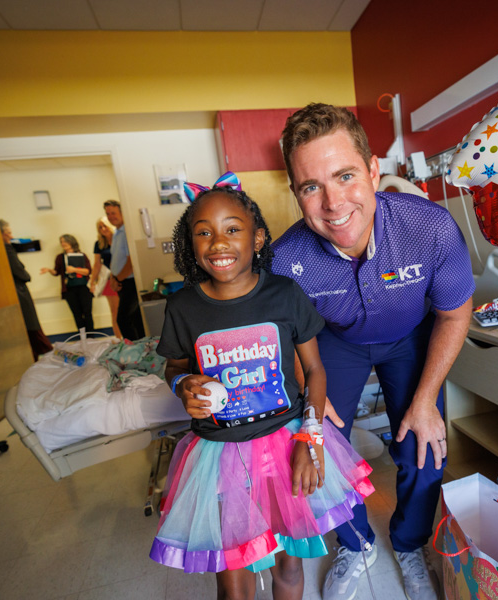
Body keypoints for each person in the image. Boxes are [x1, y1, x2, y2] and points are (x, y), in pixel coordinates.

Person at [272, 103, 475, 600]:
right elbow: (285, 339)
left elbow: (453, 314)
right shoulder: (285, 260)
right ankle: (356, 542)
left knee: (424, 448)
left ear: (372, 170)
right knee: (323, 447)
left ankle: (409, 543)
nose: (332, 203)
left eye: (344, 176)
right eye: (310, 187)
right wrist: (311, 402)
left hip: (410, 337)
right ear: (296, 192)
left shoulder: (430, 229)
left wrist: (425, 401)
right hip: (332, 343)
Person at [149, 174, 374, 599]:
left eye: (232, 229)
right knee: (234, 584)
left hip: (286, 445)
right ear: (190, 244)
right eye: (204, 232)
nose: (218, 242)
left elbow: (315, 372)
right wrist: (182, 385)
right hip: (219, 456)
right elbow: (174, 366)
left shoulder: (285, 294)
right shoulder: (183, 307)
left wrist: (311, 439)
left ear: (257, 239)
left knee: (288, 570)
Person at [0, 219, 52, 360]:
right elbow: (20, 271)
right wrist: (27, 275)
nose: (11, 236)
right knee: (33, 329)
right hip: (19, 293)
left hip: (10, 293)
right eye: (8, 233)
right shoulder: (7, 249)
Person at [103, 199, 145, 340]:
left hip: (129, 282)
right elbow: (117, 259)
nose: (110, 217)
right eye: (108, 214)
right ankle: (140, 349)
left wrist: (117, 279)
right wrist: (113, 278)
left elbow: (131, 262)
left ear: (122, 213)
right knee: (135, 318)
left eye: (113, 213)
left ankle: (133, 350)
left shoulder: (127, 232)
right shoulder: (117, 233)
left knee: (123, 319)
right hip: (121, 281)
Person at [40, 234, 94, 333]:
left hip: (84, 287)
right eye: (61, 241)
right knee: (76, 314)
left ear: (71, 241)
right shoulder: (60, 257)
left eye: (65, 241)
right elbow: (56, 272)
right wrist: (48, 270)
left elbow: (88, 271)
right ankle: (83, 337)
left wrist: (74, 270)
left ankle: (91, 336)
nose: (63, 243)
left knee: (87, 313)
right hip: (69, 289)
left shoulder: (82, 255)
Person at [89, 216, 123, 339]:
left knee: (127, 310)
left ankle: (131, 338)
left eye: (105, 225)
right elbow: (97, 264)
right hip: (109, 280)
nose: (103, 229)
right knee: (115, 312)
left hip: (124, 277)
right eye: (100, 227)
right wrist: (93, 282)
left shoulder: (120, 238)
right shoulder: (99, 244)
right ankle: (120, 339)